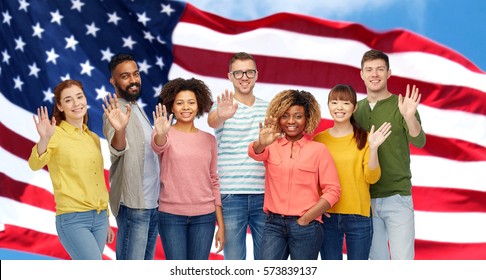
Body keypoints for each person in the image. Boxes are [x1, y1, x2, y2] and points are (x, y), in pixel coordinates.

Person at [248, 89, 341, 260]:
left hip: (306, 227)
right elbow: (254, 153)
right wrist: (261, 142)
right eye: (285, 116)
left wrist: (307, 218)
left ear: (307, 119)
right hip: (273, 225)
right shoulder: (271, 146)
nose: (291, 121)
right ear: (279, 119)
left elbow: (333, 191)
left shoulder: (319, 150)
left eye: (298, 116)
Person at [28, 80, 115, 260]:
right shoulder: (55, 134)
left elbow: (98, 180)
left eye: (79, 97)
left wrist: (106, 219)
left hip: (99, 219)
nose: (76, 104)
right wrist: (44, 140)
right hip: (73, 219)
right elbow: (34, 164)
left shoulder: (93, 138)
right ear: (60, 106)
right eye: (68, 100)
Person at [354, 49, 426, 260]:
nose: (374, 74)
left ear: (388, 73)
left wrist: (409, 117)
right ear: (361, 74)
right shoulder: (355, 110)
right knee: (377, 264)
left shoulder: (402, 106)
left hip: (398, 196)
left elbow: (419, 141)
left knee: (402, 264)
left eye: (379, 69)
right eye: (369, 70)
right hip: (366, 200)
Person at [313, 84, 391, 260]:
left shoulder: (365, 138)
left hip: (359, 216)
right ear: (329, 106)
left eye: (345, 103)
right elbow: (312, 179)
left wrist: (373, 149)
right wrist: (317, 207)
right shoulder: (319, 140)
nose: (339, 108)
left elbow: (372, 177)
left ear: (354, 107)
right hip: (328, 215)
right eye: (334, 102)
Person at [151, 77, 225, 260]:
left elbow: (213, 180)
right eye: (180, 103)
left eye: (191, 102)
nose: (186, 107)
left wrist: (221, 225)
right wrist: (160, 134)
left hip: (204, 217)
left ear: (198, 105)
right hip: (171, 216)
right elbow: (157, 146)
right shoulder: (163, 132)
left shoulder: (209, 140)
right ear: (172, 106)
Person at [207, 52, 267, 260]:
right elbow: (213, 121)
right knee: (234, 262)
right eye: (238, 72)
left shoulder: (268, 108)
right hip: (231, 196)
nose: (244, 77)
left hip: (265, 195)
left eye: (249, 72)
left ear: (256, 75)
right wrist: (220, 115)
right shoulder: (222, 107)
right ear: (230, 76)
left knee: (267, 260)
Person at [102, 53, 160, 260]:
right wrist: (119, 130)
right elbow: (117, 149)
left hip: (152, 204)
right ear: (113, 81)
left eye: (135, 74)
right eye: (125, 76)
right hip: (133, 204)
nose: (133, 80)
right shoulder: (114, 110)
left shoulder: (136, 108)